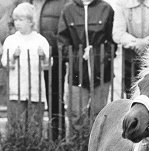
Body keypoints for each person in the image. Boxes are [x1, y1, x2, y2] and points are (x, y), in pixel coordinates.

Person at [57, 0, 116, 141]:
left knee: (99, 114)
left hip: (102, 72)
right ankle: (76, 146)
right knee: (76, 113)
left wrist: (97, 55)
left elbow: (112, 42)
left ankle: (97, 147)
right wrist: (79, 56)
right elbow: (62, 44)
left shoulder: (106, 8)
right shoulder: (68, 9)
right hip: (77, 72)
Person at [1, 2, 49, 141]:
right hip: (17, 87)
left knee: (35, 119)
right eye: (15, 20)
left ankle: (34, 144)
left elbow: (47, 64)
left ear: (30, 21)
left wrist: (43, 56)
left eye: (21, 20)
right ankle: (17, 143)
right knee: (17, 119)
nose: (17, 23)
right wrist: (13, 57)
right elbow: (5, 63)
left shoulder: (40, 40)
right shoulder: (11, 40)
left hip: (35, 87)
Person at [112, 0, 149, 98]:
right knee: (131, 97)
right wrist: (137, 43)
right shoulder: (122, 3)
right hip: (130, 58)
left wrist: (146, 41)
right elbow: (118, 33)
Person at [31, 0, 70, 141]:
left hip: (54, 56)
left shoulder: (64, 3)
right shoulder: (31, 2)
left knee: (54, 96)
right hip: (31, 59)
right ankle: (32, 136)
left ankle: (56, 136)